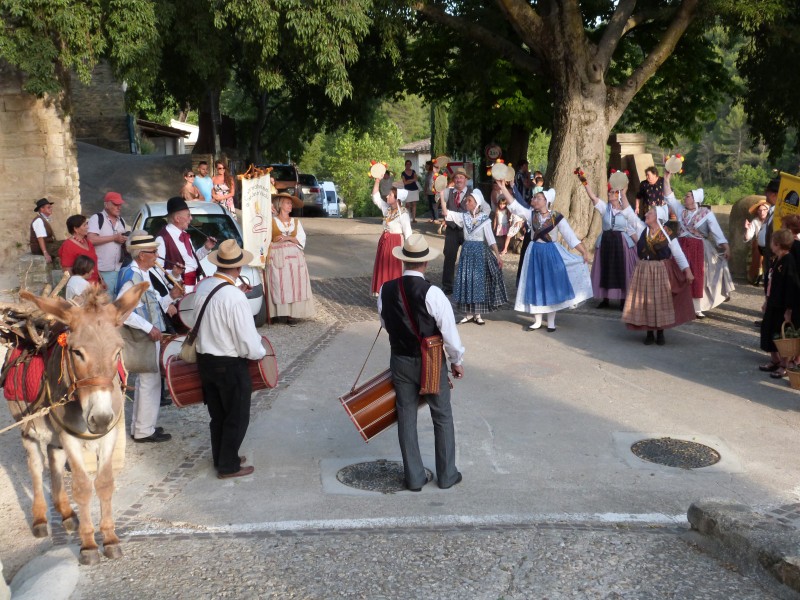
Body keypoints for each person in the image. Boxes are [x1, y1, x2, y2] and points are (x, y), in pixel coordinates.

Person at [377, 233, 464, 491]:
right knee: (442, 415)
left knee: (406, 416)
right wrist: (457, 361)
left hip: (400, 360)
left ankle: (414, 478)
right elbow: (449, 333)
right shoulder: (433, 293)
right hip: (431, 360)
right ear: (425, 263)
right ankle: (447, 475)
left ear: (403, 262)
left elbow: (385, 324)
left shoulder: (385, 289)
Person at [195, 239, 267, 478]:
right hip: (229, 363)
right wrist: (261, 352)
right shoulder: (234, 297)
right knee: (236, 415)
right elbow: (247, 341)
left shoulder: (204, 287)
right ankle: (228, 465)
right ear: (238, 269)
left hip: (205, 360)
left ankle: (224, 456)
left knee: (218, 415)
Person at [499, 182, 592, 332]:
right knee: (536, 284)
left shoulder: (557, 217)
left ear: (546, 201)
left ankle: (551, 322)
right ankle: (537, 320)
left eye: (538, 198)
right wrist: (503, 189)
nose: (534, 200)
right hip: (534, 253)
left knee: (551, 285)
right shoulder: (531, 215)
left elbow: (570, 237)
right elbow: (515, 206)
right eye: (534, 197)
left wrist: (584, 251)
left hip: (551, 254)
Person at [116, 232, 180, 443]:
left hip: (149, 334)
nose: (157, 255)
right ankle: (144, 430)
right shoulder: (131, 276)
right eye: (153, 252)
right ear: (141, 254)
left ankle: (142, 427)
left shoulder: (143, 274)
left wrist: (172, 296)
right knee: (149, 381)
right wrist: (148, 327)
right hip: (141, 336)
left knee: (149, 381)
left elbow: (153, 304)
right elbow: (122, 311)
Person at [619, 197, 695, 345]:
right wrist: (623, 193)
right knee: (645, 301)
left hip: (661, 270)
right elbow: (629, 214)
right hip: (644, 269)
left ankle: (660, 332)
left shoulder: (667, 233)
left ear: (658, 218)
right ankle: (649, 332)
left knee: (660, 301)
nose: (647, 214)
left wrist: (687, 271)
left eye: (651, 214)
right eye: (647, 213)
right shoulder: (643, 229)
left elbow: (678, 253)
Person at [663, 172, 734, 318]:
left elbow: (716, 231)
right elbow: (669, 196)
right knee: (678, 273)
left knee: (697, 275)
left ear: (695, 199)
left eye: (688, 196)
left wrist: (725, 246)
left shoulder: (706, 213)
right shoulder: (680, 209)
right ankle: (677, 304)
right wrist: (666, 179)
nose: (685, 197)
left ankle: (696, 307)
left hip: (698, 248)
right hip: (681, 246)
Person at [440, 189, 506, 324]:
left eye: (469, 200)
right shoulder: (463, 216)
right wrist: (442, 196)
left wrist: (498, 256)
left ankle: (478, 314)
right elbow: (446, 213)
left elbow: (491, 239)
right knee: (467, 280)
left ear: (476, 204)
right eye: (466, 200)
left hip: (480, 252)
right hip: (467, 250)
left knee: (478, 281)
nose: (466, 202)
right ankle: (468, 313)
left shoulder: (484, 219)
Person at [582, 177, 638, 309]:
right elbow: (592, 197)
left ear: (618, 194)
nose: (609, 194)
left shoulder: (626, 211)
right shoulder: (604, 208)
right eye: (609, 192)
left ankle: (623, 300)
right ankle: (605, 299)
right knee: (605, 269)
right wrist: (584, 182)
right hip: (606, 242)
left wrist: (641, 246)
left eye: (612, 192)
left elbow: (631, 229)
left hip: (621, 243)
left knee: (622, 270)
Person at [267, 193, 315, 325]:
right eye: (288, 203)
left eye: (291, 203)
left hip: (295, 259)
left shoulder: (295, 222)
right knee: (279, 284)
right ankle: (277, 312)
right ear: (280, 204)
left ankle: (291, 314)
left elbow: (300, 239)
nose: (290, 206)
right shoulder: (272, 221)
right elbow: (265, 238)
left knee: (294, 284)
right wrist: (273, 240)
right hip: (278, 257)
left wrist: (287, 238)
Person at [758, 229, 800, 379]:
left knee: (781, 335)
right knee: (768, 330)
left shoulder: (788, 262)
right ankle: (774, 359)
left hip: (782, 305)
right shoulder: (776, 259)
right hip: (772, 302)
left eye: (771, 242)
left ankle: (784, 364)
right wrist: (766, 300)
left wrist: (789, 309)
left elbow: (791, 287)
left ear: (777, 244)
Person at [155, 197, 215, 292]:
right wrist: (173, 275)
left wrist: (206, 248)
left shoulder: (185, 235)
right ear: (177, 218)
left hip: (192, 288)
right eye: (188, 215)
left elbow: (192, 261)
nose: (191, 218)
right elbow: (157, 270)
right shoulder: (163, 238)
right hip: (177, 291)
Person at [370, 177, 412, 296]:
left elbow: (408, 233)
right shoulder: (388, 210)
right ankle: (384, 293)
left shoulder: (403, 214)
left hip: (396, 244)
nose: (387, 196)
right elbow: (376, 198)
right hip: (385, 243)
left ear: (396, 199)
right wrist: (377, 181)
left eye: (390, 195)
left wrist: (409, 253)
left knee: (394, 269)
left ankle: (394, 294)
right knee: (384, 267)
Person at [87, 191, 128, 291]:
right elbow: (91, 239)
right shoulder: (96, 218)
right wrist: (114, 238)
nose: (119, 207)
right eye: (115, 204)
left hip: (120, 269)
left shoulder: (121, 220)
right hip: (102, 270)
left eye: (120, 204)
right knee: (105, 302)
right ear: (106, 205)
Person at [441, 167, 471, 295]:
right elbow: (441, 204)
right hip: (452, 229)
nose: (459, 179)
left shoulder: (473, 192)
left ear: (466, 180)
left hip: (466, 230)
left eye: (461, 177)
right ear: (454, 180)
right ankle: (447, 285)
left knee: (469, 258)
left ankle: (468, 284)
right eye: (457, 177)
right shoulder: (448, 192)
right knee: (449, 256)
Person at [59, 215, 101, 286]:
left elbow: (94, 264)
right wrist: (78, 286)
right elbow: (67, 271)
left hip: (94, 285)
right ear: (76, 229)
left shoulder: (88, 242)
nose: (88, 227)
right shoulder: (68, 245)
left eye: (87, 224)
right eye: (84, 225)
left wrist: (101, 280)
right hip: (81, 288)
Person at [745, 199, 770, 285]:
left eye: (764, 210)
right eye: (760, 210)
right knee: (756, 245)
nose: (762, 212)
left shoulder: (771, 220)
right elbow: (748, 237)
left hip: (771, 245)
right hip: (759, 246)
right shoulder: (755, 221)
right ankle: (755, 275)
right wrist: (747, 229)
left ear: (768, 211)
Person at [30, 198, 60, 263]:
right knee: (67, 246)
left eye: (51, 207)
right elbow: (40, 238)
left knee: (67, 243)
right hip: (40, 248)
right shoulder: (39, 220)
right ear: (42, 209)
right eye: (48, 207)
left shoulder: (43, 219)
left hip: (48, 245)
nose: (51, 209)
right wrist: (45, 253)